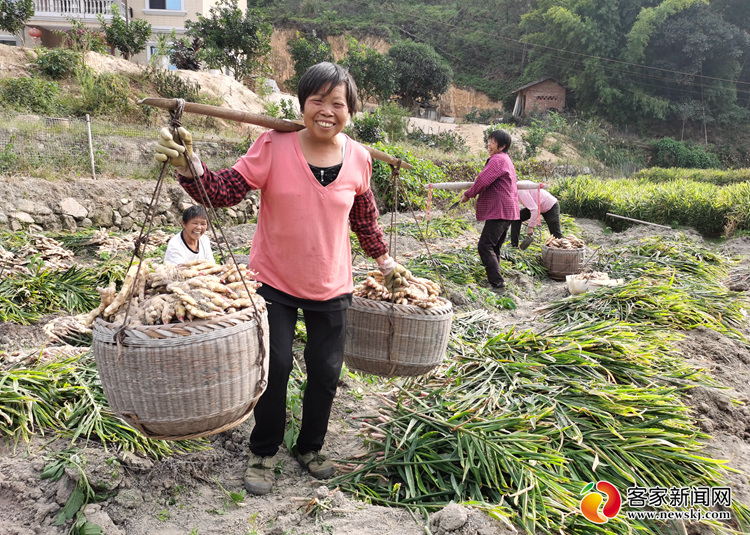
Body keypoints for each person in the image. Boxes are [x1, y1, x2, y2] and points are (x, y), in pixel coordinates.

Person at [154, 62, 409, 495]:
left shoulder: (360, 158)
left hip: (332, 285)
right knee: (275, 367)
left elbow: (365, 221)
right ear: (302, 105)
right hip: (273, 281)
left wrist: (386, 263)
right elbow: (222, 192)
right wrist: (190, 164)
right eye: (317, 101)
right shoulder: (274, 144)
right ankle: (264, 450)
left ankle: (310, 448)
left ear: (349, 110)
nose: (327, 111)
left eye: (337, 103)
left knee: (326, 373)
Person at [458, 129, 519, 293]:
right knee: (494, 247)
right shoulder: (505, 159)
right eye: (489, 140)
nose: (489, 144)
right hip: (507, 209)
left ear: (502, 145)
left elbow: (482, 180)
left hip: (500, 209)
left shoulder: (498, 159)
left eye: (492, 141)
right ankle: (496, 282)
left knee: (485, 246)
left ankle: (498, 285)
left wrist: (468, 194)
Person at [510, 183, 563, 248]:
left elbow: (534, 209)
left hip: (550, 205)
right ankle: (514, 246)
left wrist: (530, 227)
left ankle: (565, 252)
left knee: (556, 234)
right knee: (516, 218)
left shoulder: (520, 191)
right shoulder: (517, 187)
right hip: (537, 204)